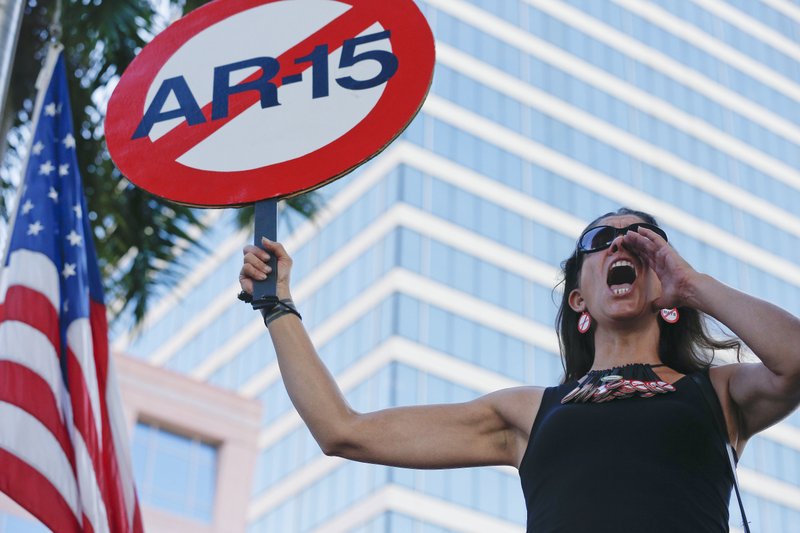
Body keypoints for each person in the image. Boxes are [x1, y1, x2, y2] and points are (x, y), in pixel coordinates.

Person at [238, 207, 800, 532]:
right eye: (600, 241)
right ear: (579, 298)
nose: (621, 245)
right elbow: (344, 431)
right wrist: (277, 306)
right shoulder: (527, 411)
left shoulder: (719, 391)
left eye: (644, 243)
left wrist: (693, 284)